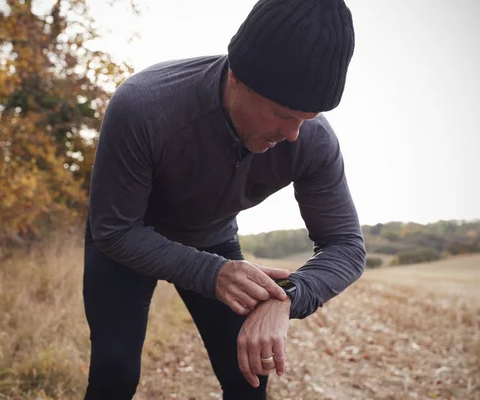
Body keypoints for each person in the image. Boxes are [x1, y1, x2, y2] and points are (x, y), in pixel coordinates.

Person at [83, 0, 366, 398]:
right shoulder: (143, 106)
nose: (292, 135)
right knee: (115, 372)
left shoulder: (312, 140)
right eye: (283, 114)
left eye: (309, 117)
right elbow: (113, 229)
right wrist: (212, 273)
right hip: (127, 236)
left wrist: (287, 297)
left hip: (211, 236)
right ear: (237, 78)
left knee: (249, 374)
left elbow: (347, 246)